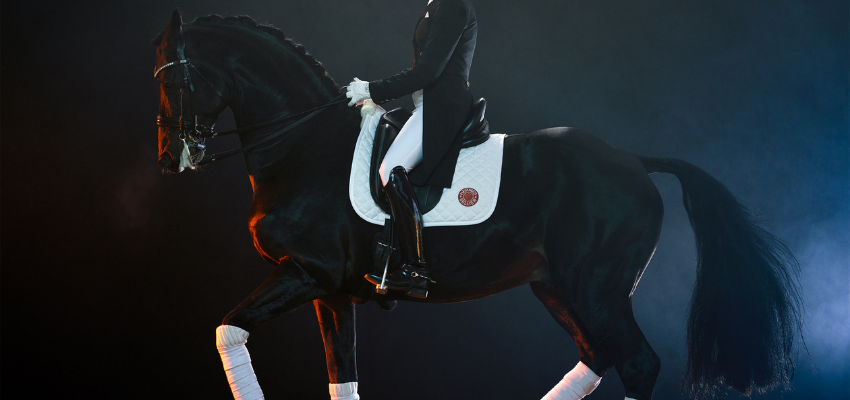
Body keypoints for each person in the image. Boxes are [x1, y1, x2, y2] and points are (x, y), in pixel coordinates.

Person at [346, 0, 478, 298]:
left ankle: (416, 270)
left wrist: (372, 89)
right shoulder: (436, 4)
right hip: (427, 104)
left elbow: (428, 70)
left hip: (442, 106)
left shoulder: (454, 5)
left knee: (391, 169)